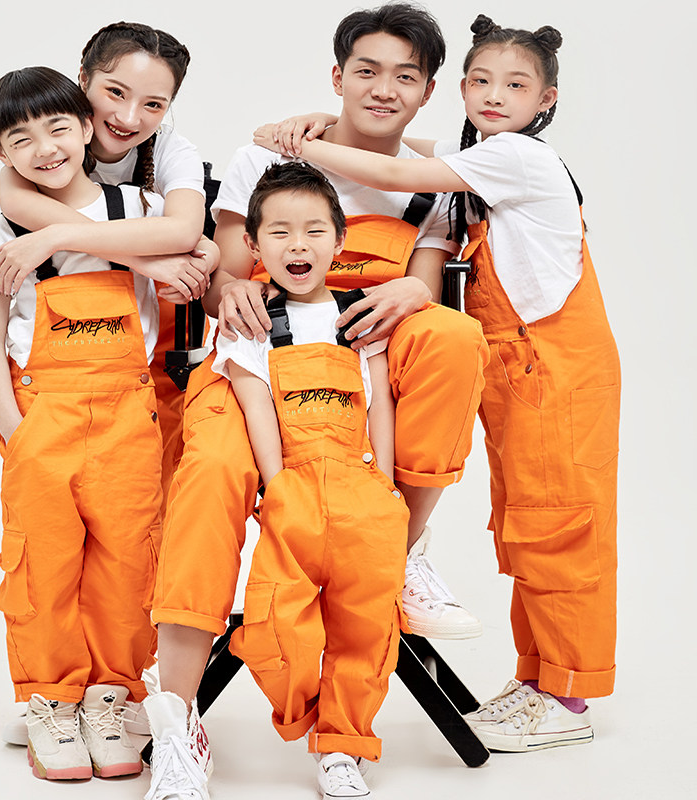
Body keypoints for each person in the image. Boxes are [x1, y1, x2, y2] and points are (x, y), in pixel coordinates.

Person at [142, 5, 488, 798]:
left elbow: (426, 291)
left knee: (453, 335)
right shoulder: (266, 155)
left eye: (404, 76)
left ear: (428, 91)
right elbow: (225, 271)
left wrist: (412, 288)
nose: (382, 89)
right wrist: (231, 290)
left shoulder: (434, 184)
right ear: (337, 76)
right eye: (366, 70)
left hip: (359, 372)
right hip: (254, 363)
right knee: (209, 477)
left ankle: (399, 549)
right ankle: (179, 720)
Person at [256, 13, 621, 753]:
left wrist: (292, 142)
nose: (494, 96)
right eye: (481, 81)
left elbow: (393, 171)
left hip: (557, 366)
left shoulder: (519, 157)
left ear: (546, 100)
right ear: (460, 88)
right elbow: (412, 150)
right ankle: (539, 681)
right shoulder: (482, 157)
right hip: (517, 366)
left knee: (561, 526)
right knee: (524, 526)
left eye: (515, 85)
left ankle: (568, 697)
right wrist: (327, 120)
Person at [0, 66, 170, 780]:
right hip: (42, 416)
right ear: (2, 155)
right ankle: (50, 702)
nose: (45, 148)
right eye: (20, 139)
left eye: (58, 127)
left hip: (128, 415)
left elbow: (190, 255)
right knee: (42, 564)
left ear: (87, 126)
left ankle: (111, 697)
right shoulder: (3, 229)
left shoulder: (140, 207)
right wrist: (15, 430)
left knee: (128, 561)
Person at [224, 161, 409, 799]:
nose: (297, 245)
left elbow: (380, 403)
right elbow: (255, 406)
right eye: (278, 232)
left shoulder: (360, 317)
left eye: (313, 231)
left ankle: (343, 746)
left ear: (339, 239)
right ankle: (306, 712)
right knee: (276, 624)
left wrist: (387, 486)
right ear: (253, 244)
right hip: (294, 488)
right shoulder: (251, 323)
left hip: (363, 489)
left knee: (366, 626)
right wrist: (277, 487)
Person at [0, 21, 219, 513]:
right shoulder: (46, 148)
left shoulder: (172, 152)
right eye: (115, 92)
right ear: (82, 79)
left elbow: (186, 233)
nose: (129, 117)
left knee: (149, 511)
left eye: (154, 104)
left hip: (159, 350)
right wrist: (148, 261)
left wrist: (57, 235)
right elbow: (13, 202)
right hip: (61, 376)